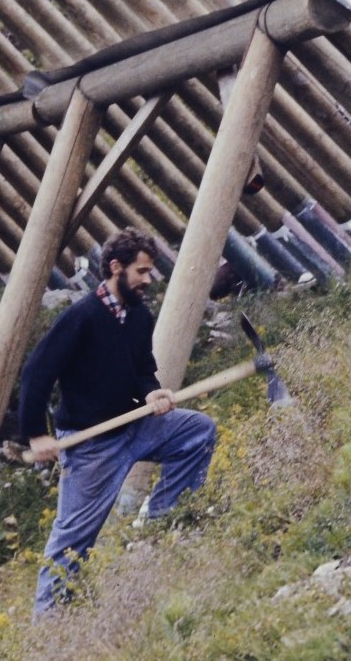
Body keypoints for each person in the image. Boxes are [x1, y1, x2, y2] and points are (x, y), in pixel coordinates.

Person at [19, 228, 218, 615]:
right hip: (90, 443)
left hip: (134, 425)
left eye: (149, 272)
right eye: (141, 271)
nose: (148, 279)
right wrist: (35, 434)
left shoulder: (139, 315)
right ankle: (49, 625)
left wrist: (153, 392)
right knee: (73, 539)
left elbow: (143, 368)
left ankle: (159, 525)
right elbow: (36, 373)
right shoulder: (82, 317)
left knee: (197, 432)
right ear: (115, 267)